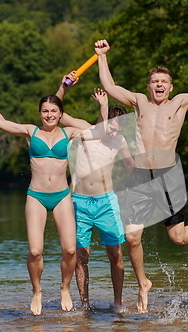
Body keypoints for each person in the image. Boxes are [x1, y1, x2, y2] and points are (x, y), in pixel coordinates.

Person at [94, 39, 188, 313]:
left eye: (164, 81)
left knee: (177, 236)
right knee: (131, 238)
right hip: (140, 176)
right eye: (155, 81)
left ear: (171, 86)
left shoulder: (180, 103)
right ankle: (143, 283)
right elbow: (110, 87)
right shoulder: (138, 102)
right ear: (148, 85)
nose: (159, 85)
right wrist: (102, 56)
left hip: (168, 176)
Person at [0, 78, 105, 316]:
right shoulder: (31, 131)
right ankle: (37, 291)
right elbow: (0, 122)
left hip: (61, 196)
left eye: (54, 111)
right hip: (36, 196)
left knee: (70, 250)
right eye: (45, 111)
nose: (49, 115)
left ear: (60, 113)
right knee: (35, 251)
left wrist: (102, 106)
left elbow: (99, 132)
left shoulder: (69, 133)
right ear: (40, 113)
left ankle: (64, 288)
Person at [56, 76, 134, 311]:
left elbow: (132, 168)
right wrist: (64, 87)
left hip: (106, 202)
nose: (114, 129)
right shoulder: (84, 130)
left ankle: (118, 304)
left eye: (120, 125)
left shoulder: (119, 141)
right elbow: (57, 113)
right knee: (80, 257)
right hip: (79, 202)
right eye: (112, 123)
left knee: (116, 256)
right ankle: (85, 305)